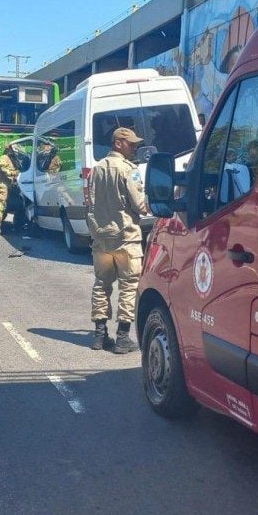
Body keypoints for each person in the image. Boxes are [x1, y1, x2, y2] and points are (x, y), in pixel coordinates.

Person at [86, 127, 147, 354]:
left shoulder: (97, 169)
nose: (135, 148)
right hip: (126, 237)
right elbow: (139, 204)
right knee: (129, 286)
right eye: (131, 144)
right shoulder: (128, 170)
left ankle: (99, 336)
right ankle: (122, 337)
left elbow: (90, 203)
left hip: (102, 237)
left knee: (101, 284)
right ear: (118, 143)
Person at [0, 144, 20, 235]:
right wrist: (11, 173)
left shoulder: (13, 160)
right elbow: (1, 168)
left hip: (9, 186)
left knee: (6, 205)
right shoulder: (4, 157)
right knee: (1, 204)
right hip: (2, 186)